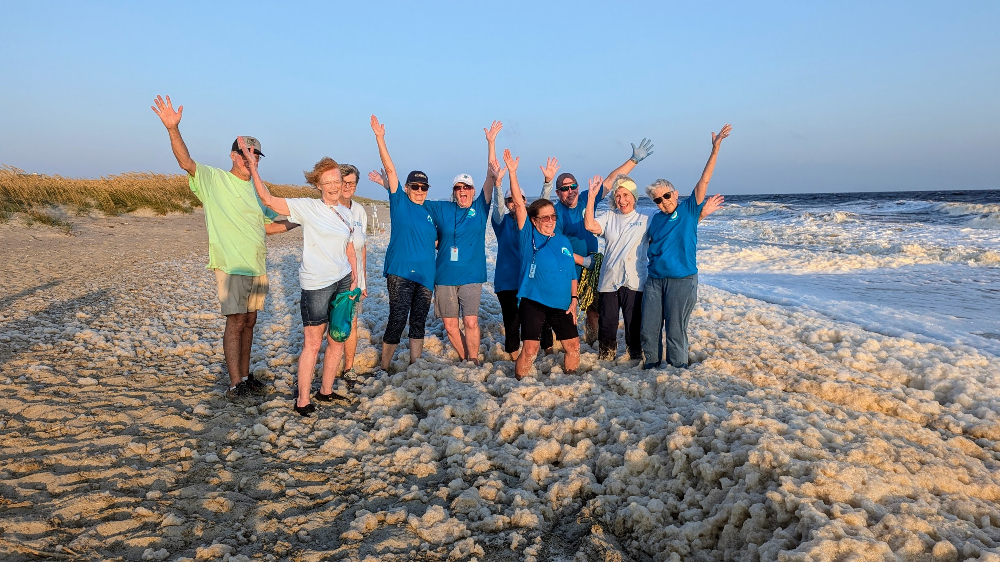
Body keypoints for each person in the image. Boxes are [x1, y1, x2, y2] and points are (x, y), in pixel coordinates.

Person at [151, 95, 297, 401]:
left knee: (251, 321)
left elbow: (269, 226)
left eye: (256, 155)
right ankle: (234, 384)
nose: (251, 159)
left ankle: (245, 375)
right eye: (246, 154)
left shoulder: (258, 191)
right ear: (234, 155)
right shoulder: (214, 179)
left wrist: (304, 220)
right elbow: (185, 162)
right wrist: (173, 129)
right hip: (230, 264)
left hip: (256, 264)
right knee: (236, 321)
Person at [241, 147, 358, 416]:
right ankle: (303, 400)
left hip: (343, 281)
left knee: (337, 337)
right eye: (327, 182)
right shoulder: (307, 208)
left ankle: (325, 391)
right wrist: (254, 169)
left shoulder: (347, 213)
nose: (333, 186)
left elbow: (349, 249)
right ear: (318, 185)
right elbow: (268, 199)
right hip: (316, 284)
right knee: (313, 343)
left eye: (337, 181)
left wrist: (356, 279)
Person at [584, 175, 724, 361]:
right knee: (609, 325)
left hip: (636, 279)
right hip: (610, 279)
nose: (622, 200)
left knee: (635, 326)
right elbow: (589, 225)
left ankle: (635, 359)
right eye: (618, 196)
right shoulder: (609, 216)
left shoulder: (646, 215)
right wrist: (592, 197)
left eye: (626, 195)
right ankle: (607, 359)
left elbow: (675, 225)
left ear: (634, 197)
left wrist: (701, 214)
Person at [546, 139, 655, 344]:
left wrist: (634, 160)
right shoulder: (556, 213)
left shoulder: (589, 197)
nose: (571, 191)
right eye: (565, 188)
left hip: (594, 266)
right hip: (570, 267)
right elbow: (555, 246)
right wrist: (581, 260)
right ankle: (566, 344)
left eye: (574, 186)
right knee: (566, 307)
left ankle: (591, 342)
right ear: (558, 192)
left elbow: (611, 180)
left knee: (594, 309)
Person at [642, 124, 732, 369]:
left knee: (675, 330)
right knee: (648, 329)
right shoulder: (655, 218)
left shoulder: (689, 209)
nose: (663, 202)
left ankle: (677, 368)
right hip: (654, 280)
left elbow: (704, 180)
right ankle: (651, 367)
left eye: (666, 196)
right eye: (658, 200)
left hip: (682, 280)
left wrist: (715, 149)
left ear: (675, 193)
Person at [424, 121, 502, 364]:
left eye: (467, 187)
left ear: (472, 190)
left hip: (472, 274)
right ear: (453, 191)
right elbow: (415, 202)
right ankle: (464, 356)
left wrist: (491, 143)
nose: (463, 191)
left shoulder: (480, 207)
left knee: (470, 321)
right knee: (449, 326)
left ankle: (473, 358)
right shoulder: (442, 208)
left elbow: (491, 175)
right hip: (444, 276)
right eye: (458, 188)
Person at [503, 149, 580, 379]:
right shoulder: (528, 236)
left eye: (553, 217)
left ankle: (570, 379)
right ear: (534, 221)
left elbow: (571, 274)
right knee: (530, 349)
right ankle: (519, 383)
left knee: (573, 347)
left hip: (562, 303)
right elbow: (518, 202)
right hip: (533, 301)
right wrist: (512, 173)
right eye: (545, 218)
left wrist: (574, 300)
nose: (550, 221)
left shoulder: (563, 240)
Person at [370, 115, 437, 373]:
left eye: (424, 187)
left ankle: (415, 364)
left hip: (426, 275)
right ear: (407, 188)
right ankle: (385, 365)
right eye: (416, 186)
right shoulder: (400, 203)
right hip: (400, 272)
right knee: (398, 319)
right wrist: (380, 138)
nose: (420, 190)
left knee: (419, 321)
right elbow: (391, 172)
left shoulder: (430, 209)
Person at [491, 157, 560, 359]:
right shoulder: (500, 222)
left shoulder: (530, 224)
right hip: (507, 280)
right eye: (510, 200)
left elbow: (542, 207)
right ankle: (513, 355)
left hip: (531, 280)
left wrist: (547, 183)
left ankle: (547, 350)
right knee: (512, 321)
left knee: (541, 318)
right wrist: (498, 183)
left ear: (523, 202)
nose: (514, 203)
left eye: (518, 199)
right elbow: (496, 206)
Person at [337, 163, 369, 383]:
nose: (347, 186)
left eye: (352, 183)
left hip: (354, 280)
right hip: (330, 277)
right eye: (344, 182)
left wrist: (364, 281)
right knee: (325, 326)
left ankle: (348, 368)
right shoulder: (327, 207)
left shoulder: (359, 211)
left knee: (351, 322)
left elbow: (362, 246)